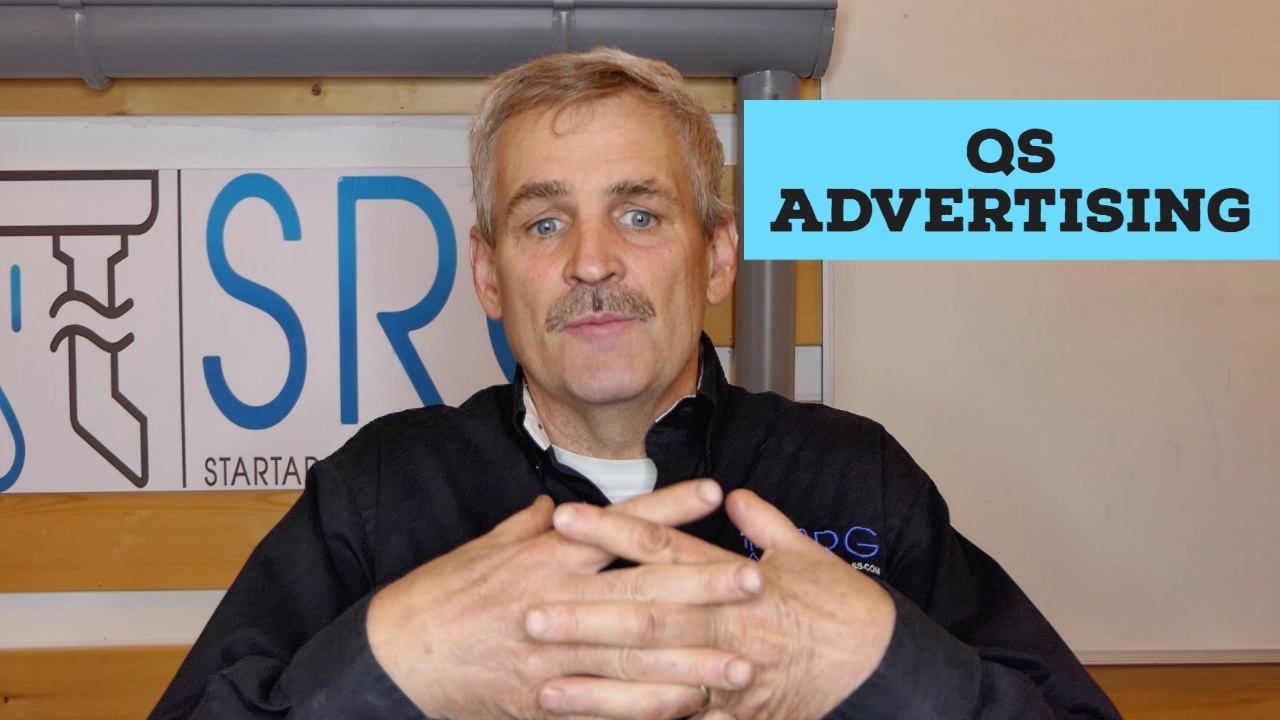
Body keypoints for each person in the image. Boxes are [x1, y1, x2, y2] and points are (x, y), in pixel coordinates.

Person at [149, 48, 1121, 720]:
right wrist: (382, 671)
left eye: (640, 215)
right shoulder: (379, 493)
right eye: (543, 223)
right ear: (488, 274)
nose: (590, 261)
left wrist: (888, 672)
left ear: (717, 258)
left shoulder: (852, 477)